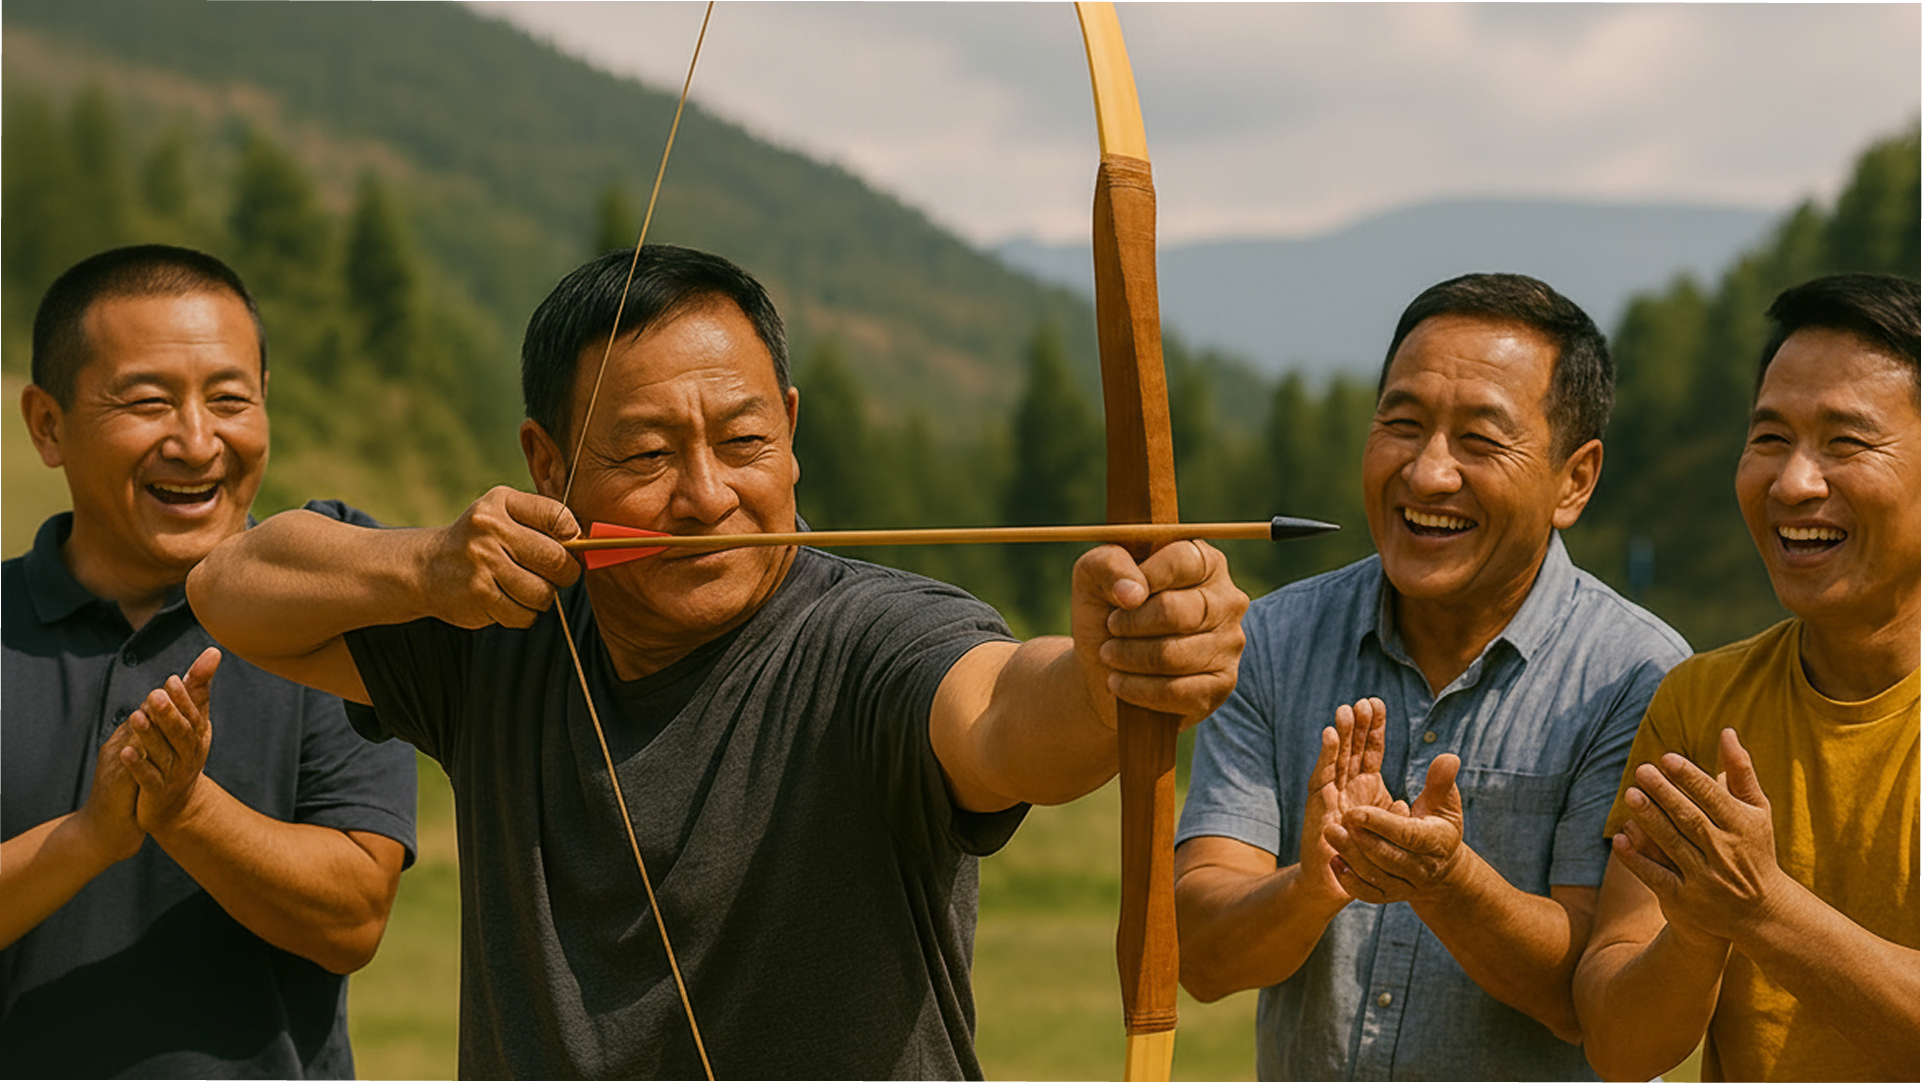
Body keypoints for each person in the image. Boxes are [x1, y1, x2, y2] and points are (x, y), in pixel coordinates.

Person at [186, 244, 1250, 1080]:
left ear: (790, 430)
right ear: (547, 464)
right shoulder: (500, 628)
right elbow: (230, 586)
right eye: (646, 454)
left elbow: (1008, 718)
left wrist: (1111, 676)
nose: (705, 497)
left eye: (742, 442)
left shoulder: (874, 637)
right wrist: (424, 564)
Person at [1173, 273, 1691, 1081]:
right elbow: (1200, 954)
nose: (1426, 472)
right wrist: (1313, 885)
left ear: (1575, 479)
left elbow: (1594, 1001)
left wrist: (1449, 883)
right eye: (1402, 424)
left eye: (1479, 440)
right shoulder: (1274, 638)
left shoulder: (1640, 676)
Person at [0, 245, 419, 1078]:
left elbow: (352, 919)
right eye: (148, 401)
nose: (197, 443)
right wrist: (88, 837)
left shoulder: (328, 616)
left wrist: (186, 809)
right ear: (48, 424)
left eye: (230, 399)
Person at [1573, 273, 1922, 1083]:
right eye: (1770, 437)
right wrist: (1697, 931)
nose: (1794, 483)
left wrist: (1762, 906)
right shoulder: (1702, 703)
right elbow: (1619, 1046)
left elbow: (1754, 902)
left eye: (1845, 442)